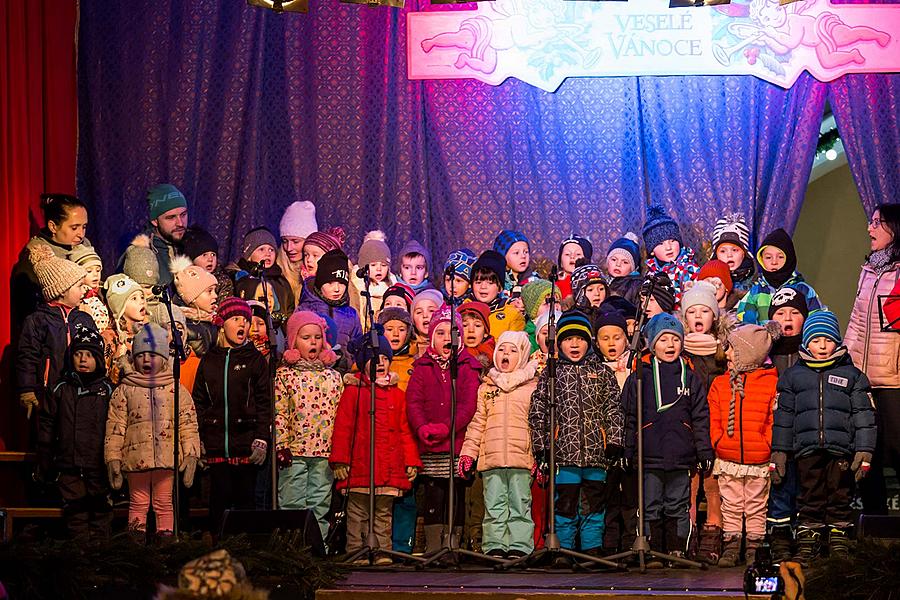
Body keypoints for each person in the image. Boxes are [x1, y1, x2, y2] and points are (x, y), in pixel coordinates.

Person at [772, 311, 876, 562]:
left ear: (837, 343)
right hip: (806, 450)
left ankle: (839, 538)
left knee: (841, 494)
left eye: (828, 340)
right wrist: (780, 451)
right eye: (816, 340)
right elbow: (784, 418)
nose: (822, 346)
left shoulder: (853, 376)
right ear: (806, 342)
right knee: (809, 495)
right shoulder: (793, 377)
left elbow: (864, 416)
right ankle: (809, 540)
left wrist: (865, 450)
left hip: (841, 449)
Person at [529, 310, 624, 562]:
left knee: (594, 504)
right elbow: (539, 412)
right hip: (564, 452)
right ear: (559, 343)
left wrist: (614, 441)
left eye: (580, 339)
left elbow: (613, 408)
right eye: (568, 339)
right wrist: (542, 447)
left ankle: (592, 548)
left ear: (588, 342)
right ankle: (565, 549)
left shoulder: (602, 373)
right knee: (566, 504)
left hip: (596, 452)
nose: (574, 344)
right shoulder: (552, 374)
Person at [622, 313, 713, 567]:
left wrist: (704, 451)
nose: (670, 345)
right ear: (652, 344)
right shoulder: (640, 375)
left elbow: (700, 417)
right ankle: (651, 550)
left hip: (681, 455)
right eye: (663, 340)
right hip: (649, 455)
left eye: (675, 339)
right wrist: (628, 450)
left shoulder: (690, 377)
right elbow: (630, 416)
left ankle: (676, 550)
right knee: (650, 504)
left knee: (677, 504)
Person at [331, 332, 421, 564]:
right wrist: (341, 460)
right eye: (374, 358)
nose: (380, 363)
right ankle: (356, 550)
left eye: (385, 358)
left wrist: (411, 460)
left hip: (388, 467)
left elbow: (405, 430)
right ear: (363, 363)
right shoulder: (354, 392)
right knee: (358, 512)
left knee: (383, 513)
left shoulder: (397, 395)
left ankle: (382, 551)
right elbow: (343, 428)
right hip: (361, 465)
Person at [104, 323, 200, 538]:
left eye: (152, 355)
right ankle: (136, 547)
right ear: (133, 358)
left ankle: (165, 545)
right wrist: (113, 459)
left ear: (164, 358)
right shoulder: (125, 390)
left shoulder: (176, 389)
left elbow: (187, 424)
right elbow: (115, 428)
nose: (146, 360)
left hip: (167, 458)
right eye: (141, 355)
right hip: (136, 459)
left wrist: (191, 452)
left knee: (164, 503)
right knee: (138, 503)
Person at [406, 305, 481, 554]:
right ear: (431, 337)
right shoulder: (422, 367)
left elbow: (468, 405)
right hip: (430, 443)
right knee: (433, 495)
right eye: (440, 333)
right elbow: (413, 402)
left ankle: (453, 544)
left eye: (452, 333)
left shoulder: (467, 366)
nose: (447, 338)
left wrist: (446, 428)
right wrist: (422, 427)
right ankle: (434, 546)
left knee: (455, 495)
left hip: (456, 444)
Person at [192, 298, 271, 533]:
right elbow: (199, 401)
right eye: (236, 319)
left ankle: (247, 552)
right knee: (218, 501)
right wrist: (200, 438)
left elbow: (264, 403)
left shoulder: (254, 360)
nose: (243, 325)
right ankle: (220, 548)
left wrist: (261, 438)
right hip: (216, 445)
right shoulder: (209, 360)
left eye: (246, 321)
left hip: (246, 444)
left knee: (246, 503)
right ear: (222, 324)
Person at [458, 331, 538, 559]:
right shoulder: (487, 388)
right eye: (502, 349)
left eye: (513, 351)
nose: (506, 354)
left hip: (521, 459)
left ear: (522, 356)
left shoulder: (531, 388)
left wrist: (538, 457)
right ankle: (494, 544)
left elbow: (538, 426)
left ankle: (520, 545)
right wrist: (468, 454)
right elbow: (476, 425)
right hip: (491, 459)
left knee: (520, 504)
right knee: (494, 504)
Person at [708, 323, 780, 567]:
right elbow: (714, 418)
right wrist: (719, 441)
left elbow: (773, 419)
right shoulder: (720, 384)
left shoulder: (770, 383)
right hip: (728, 457)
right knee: (732, 504)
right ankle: (731, 543)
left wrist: (766, 444)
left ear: (747, 354)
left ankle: (754, 546)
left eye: (732, 349)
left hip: (758, 458)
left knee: (756, 505)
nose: (727, 353)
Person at [844, 204, 900, 515]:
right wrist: (845, 362)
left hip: (894, 379)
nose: (870, 229)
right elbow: (857, 322)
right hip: (865, 380)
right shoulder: (869, 270)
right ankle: (876, 529)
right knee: (868, 456)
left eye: (877, 222)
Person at [36, 324, 113, 542]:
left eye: (89, 355)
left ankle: (101, 556)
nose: (82, 360)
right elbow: (48, 423)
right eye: (78, 354)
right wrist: (45, 456)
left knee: (100, 509)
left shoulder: (107, 389)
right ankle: (78, 555)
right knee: (75, 512)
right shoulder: (61, 388)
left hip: (97, 463)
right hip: (68, 462)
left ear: (98, 358)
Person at [274, 310, 343, 540]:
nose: (313, 342)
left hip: (324, 451)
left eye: (317, 337)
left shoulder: (333, 376)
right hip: (294, 451)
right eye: (306, 338)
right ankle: (292, 548)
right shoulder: (285, 375)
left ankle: (317, 547)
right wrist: (281, 445)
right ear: (294, 341)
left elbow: (339, 415)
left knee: (319, 504)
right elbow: (280, 412)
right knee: (292, 502)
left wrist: (339, 451)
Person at [678, 281, 733, 564]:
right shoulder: (679, 353)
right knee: (689, 484)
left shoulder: (723, 352)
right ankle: (687, 532)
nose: (698, 316)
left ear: (714, 316)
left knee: (713, 484)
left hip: (715, 428)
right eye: (692, 312)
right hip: (688, 429)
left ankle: (713, 530)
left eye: (704, 311)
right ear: (684, 317)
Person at [17, 245, 96, 419]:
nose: (85, 290)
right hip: (47, 394)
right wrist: (27, 389)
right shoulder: (37, 320)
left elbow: (95, 353)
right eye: (79, 285)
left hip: (79, 391)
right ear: (61, 290)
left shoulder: (85, 319)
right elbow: (27, 356)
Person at [12, 193, 92, 325]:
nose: (81, 234)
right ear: (53, 226)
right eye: (74, 228)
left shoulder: (84, 246)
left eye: (84, 227)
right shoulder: (37, 254)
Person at [736, 228, 824, 325]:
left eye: (780, 257)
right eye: (768, 257)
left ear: (789, 258)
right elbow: (745, 326)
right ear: (761, 259)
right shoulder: (754, 293)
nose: (774, 262)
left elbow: (817, 323)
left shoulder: (804, 291)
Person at [119, 184, 189, 287]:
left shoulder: (193, 243)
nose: (180, 223)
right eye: (171, 217)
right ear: (155, 221)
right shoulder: (140, 253)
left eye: (183, 215)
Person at [296, 249, 362, 356]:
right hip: (311, 370)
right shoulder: (304, 311)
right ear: (320, 283)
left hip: (345, 371)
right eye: (330, 283)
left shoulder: (351, 315)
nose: (337, 289)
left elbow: (358, 349)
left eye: (341, 283)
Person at [228, 226, 296, 313]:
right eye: (261, 249)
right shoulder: (238, 278)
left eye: (271, 250)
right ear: (249, 256)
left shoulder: (281, 282)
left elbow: (290, 310)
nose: (268, 254)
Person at [642, 204, 699, 305]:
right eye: (660, 244)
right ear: (651, 251)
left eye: (672, 241)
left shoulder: (690, 269)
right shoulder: (651, 275)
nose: (668, 247)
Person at [170, 256, 220, 357]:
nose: (215, 296)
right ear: (192, 297)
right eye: (209, 291)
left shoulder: (213, 320)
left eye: (215, 290)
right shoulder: (182, 325)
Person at [103, 273, 148, 384]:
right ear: (120, 307)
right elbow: (106, 373)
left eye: (142, 297)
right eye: (134, 298)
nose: (141, 301)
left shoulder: (149, 332)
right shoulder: (110, 337)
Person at [471, 250, 525, 339]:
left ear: (500, 288)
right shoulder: (463, 311)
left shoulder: (512, 315)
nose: (483, 286)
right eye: (478, 282)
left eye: (490, 283)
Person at [277, 200, 318, 304]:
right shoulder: (276, 270)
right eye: (285, 241)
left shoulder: (326, 269)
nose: (289, 248)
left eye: (295, 241)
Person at [349, 230, 396, 324]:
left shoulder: (393, 287)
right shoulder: (356, 286)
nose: (379, 269)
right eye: (373, 265)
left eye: (383, 265)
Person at [711, 214, 755, 306]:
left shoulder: (757, 284)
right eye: (723, 251)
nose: (729, 255)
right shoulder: (709, 283)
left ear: (744, 253)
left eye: (735, 250)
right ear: (716, 255)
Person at [68, 245, 111, 335]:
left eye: (98, 270)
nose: (95, 274)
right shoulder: (77, 296)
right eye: (89, 271)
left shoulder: (104, 291)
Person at [181, 226, 234, 299]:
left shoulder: (223, 281)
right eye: (204, 255)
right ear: (192, 260)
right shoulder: (183, 280)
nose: (210, 259)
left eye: (213, 254)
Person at [493, 230, 539, 294]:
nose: (523, 256)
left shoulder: (535, 280)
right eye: (516, 253)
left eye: (526, 252)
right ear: (502, 256)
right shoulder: (496, 280)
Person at [606, 232, 643, 306]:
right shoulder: (603, 282)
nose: (618, 264)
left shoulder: (635, 286)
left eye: (625, 262)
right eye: (614, 259)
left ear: (633, 269)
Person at [459, 301, 495, 372]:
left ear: (485, 333)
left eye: (477, 325)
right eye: (465, 325)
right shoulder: (451, 355)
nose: (471, 330)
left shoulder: (495, 355)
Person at [555, 235, 592, 301]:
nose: (572, 256)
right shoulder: (552, 287)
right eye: (567, 254)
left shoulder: (594, 284)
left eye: (578, 254)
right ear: (560, 261)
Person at [410, 289, 443, 354]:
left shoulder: (449, 344)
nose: (425, 315)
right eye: (419, 312)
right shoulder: (408, 347)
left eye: (431, 311)